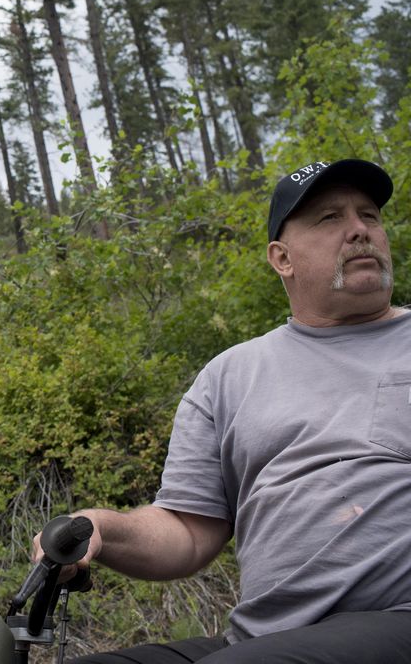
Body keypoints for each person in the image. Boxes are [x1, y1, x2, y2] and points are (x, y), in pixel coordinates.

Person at [38, 159, 411, 663]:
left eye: (370, 216)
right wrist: (100, 526)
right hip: (262, 639)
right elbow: (188, 532)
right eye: (330, 219)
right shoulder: (229, 376)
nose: (360, 231)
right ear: (282, 258)